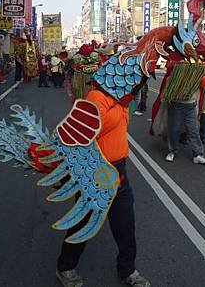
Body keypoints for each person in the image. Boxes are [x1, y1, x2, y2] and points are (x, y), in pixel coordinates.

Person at [55, 88, 150, 287]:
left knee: (125, 224)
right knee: (83, 225)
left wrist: (124, 102)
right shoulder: (96, 97)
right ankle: (65, 267)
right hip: (95, 172)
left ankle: (128, 270)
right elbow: (90, 130)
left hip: (118, 172)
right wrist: (118, 104)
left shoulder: (124, 99)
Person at [165, 74, 205, 164]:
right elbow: (168, 82)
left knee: (193, 130)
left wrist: (200, 75)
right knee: (174, 130)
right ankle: (172, 152)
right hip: (177, 104)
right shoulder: (178, 68)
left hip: (191, 105)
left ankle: (197, 155)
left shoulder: (197, 70)